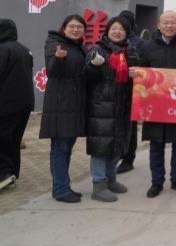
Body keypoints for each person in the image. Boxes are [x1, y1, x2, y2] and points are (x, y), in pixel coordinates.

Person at [140, 11, 176, 198]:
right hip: (155, 104)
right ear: (158, 25)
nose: (169, 26)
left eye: (173, 22)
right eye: (165, 23)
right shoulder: (148, 46)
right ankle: (156, 182)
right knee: (156, 144)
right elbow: (141, 71)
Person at [84, 17, 139, 202]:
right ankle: (98, 185)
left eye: (121, 29)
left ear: (127, 32)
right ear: (107, 31)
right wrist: (94, 66)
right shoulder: (97, 50)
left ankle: (111, 178)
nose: (117, 31)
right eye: (113, 28)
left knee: (118, 144)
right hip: (102, 105)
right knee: (101, 146)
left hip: (124, 104)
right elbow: (86, 77)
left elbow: (140, 79)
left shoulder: (131, 51)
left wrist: (135, 75)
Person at [39, 15, 88, 203]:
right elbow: (52, 71)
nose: (75, 29)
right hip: (60, 105)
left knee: (66, 148)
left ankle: (63, 185)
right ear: (64, 28)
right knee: (60, 148)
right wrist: (58, 59)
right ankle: (60, 189)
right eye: (72, 26)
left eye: (79, 27)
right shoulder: (55, 44)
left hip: (73, 104)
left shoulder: (79, 47)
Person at [0, 19, 34, 192]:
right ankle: (12, 172)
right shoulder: (24, 49)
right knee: (14, 139)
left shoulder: (3, 49)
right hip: (25, 104)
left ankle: (4, 174)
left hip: (6, 104)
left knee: (3, 139)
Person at [116, 10, 144, 175]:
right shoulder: (113, 40)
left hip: (132, 89)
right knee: (124, 126)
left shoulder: (138, 43)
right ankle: (123, 155)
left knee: (130, 127)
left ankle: (128, 158)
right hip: (116, 90)